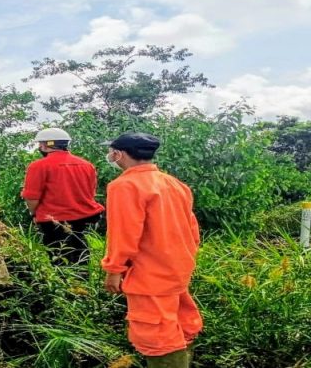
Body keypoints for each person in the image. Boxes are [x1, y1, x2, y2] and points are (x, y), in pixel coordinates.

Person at [101, 132, 202, 368]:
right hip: (178, 269)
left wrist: (114, 269)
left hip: (149, 274)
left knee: (157, 335)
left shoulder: (124, 185)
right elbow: (193, 230)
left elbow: (124, 233)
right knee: (182, 325)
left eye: (112, 152)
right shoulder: (175, 184)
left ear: (119, 154)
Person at [21, 127, 105, 267]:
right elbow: (90, 193)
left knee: (59, 257)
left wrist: (34, 213)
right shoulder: (86, 165)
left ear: (44, 145)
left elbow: (32, 197)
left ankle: (64, 283)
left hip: (53, 220)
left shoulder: (39, 166)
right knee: (80, 250)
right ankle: (82, 282)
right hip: (82, 217)